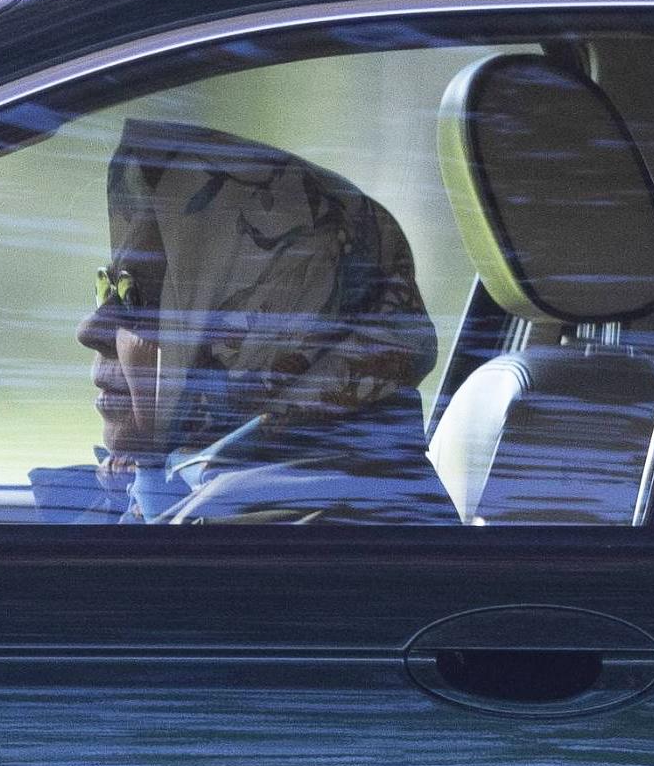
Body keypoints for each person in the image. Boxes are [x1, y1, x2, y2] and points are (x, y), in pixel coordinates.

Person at [79, 114, 454, 523]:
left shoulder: (284, 529)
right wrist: (149, 476)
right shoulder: (232, 496)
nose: (92, 331)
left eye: (137, 296)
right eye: (109, 286)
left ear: (271, 329)